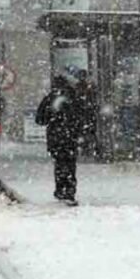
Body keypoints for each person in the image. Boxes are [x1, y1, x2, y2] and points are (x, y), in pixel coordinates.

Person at [35, 75, 86, 206]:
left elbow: (40, 119)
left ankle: (61, 189)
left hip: (55, 138)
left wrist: (52, 118)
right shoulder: (75, 98)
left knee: (59, 163)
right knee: (70, 164)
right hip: (71, 138)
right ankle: (69, 191)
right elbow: (84, 118)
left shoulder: (50, 99)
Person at [73, 69, 98, 159]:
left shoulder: (84, 86)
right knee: (88, 131)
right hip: (86, 112)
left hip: (85, 112)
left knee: (86, 131)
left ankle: (86, 148)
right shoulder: (86, 86)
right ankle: (87, 148)